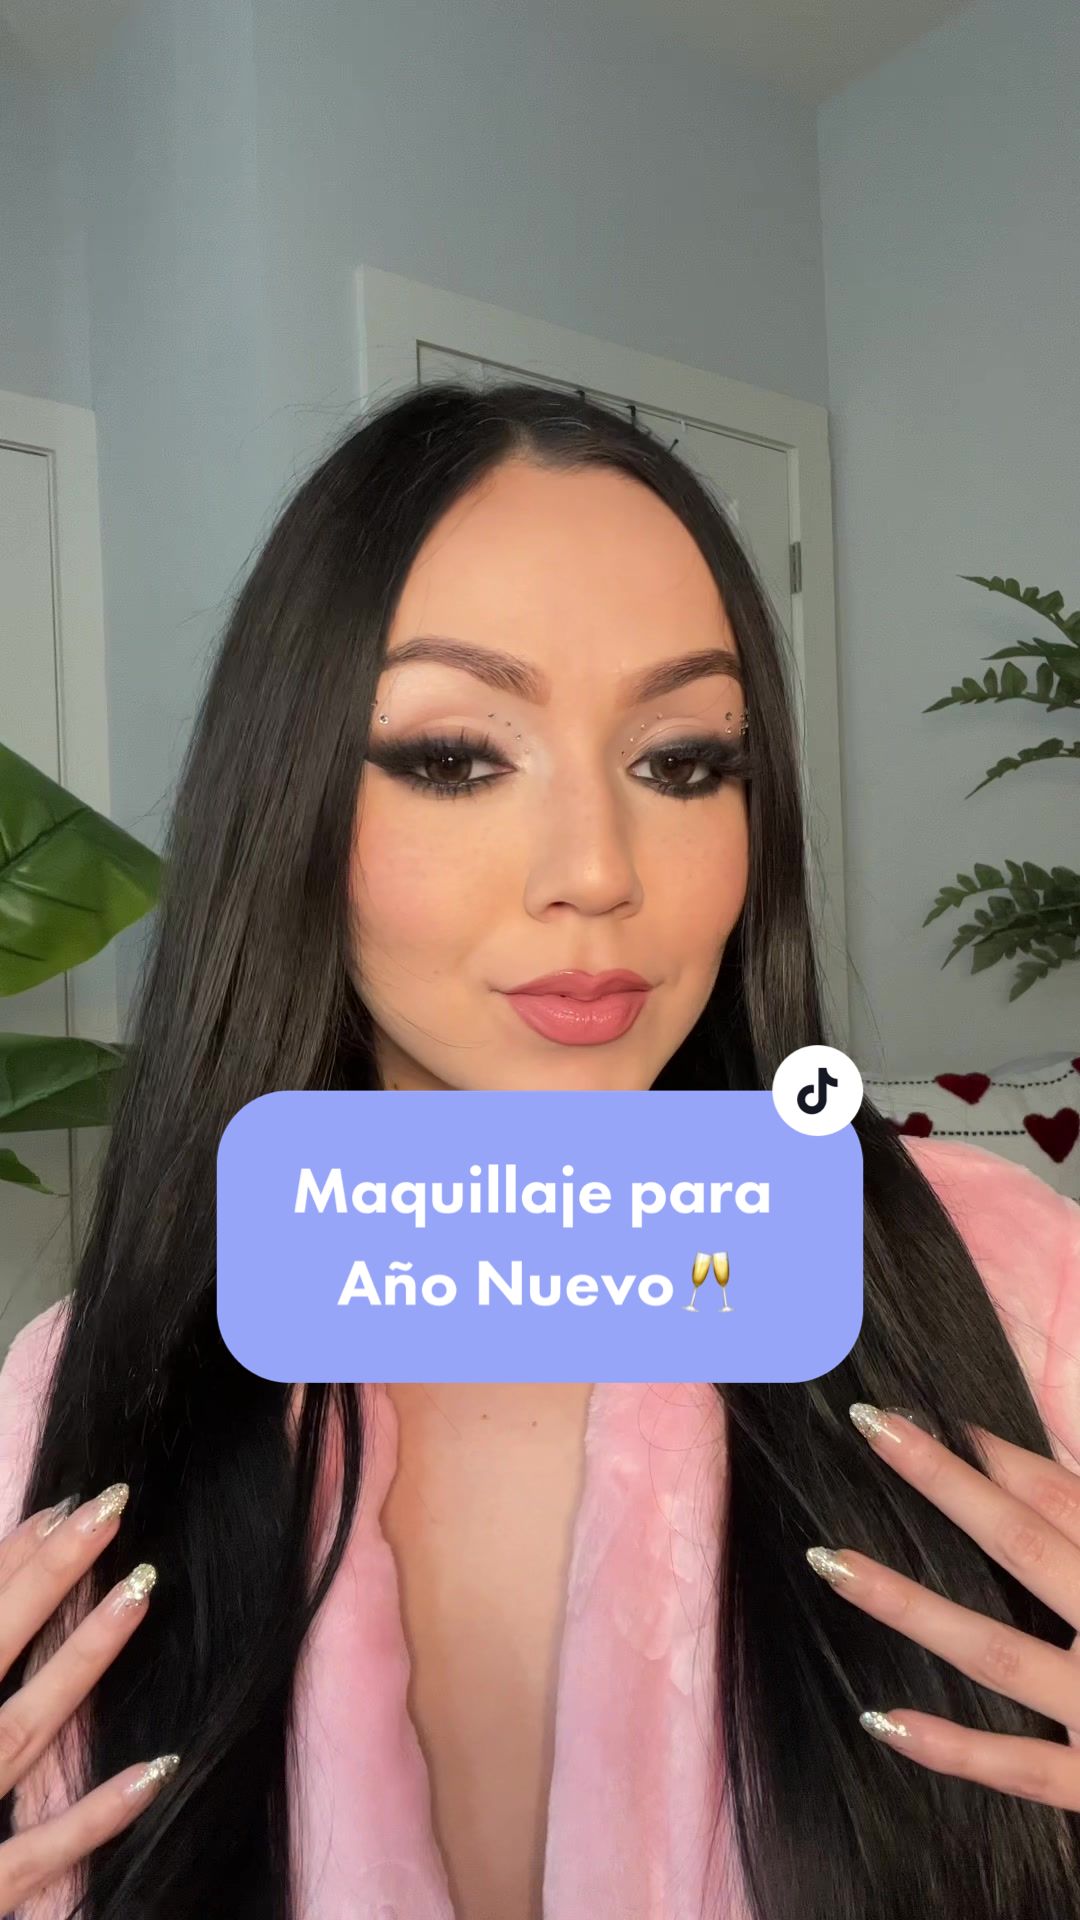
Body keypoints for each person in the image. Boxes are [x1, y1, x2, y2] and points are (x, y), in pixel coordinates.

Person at [0, 379, 1077, 1920]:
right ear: (286, 805)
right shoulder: (72, 1401)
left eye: (682, 761)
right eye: (455, 755)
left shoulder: (1016, 1294)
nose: (596, 872)